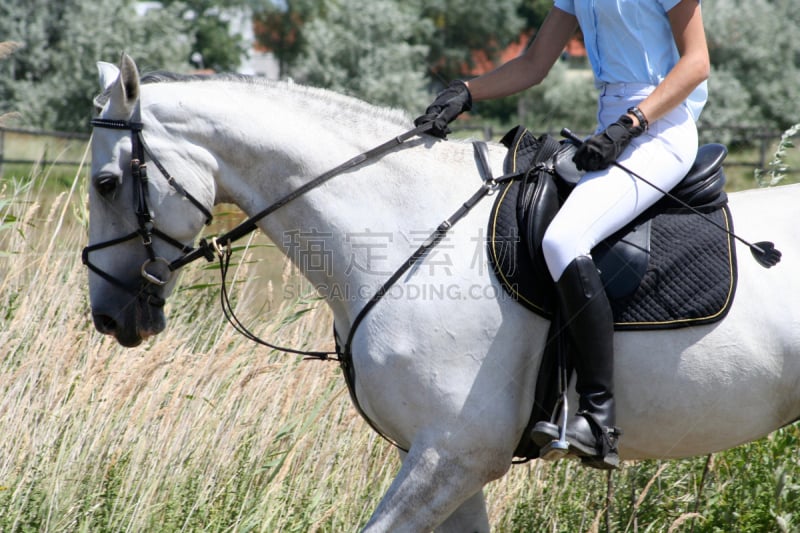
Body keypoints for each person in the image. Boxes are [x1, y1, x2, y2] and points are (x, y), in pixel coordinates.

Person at [415, 0, 710, 469]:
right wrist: (466, 92)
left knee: (563, 240)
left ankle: (598, 417)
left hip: (660, 130)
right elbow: (534, 65)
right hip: (611, 126)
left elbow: (697, 63)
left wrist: (633, 122)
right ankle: (546, 394)